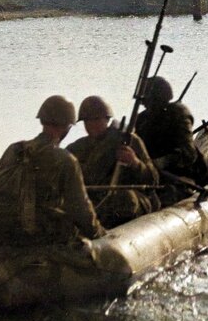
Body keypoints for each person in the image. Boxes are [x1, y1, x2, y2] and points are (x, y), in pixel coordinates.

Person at [0, 95, 106, 246]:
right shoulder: (65, 160)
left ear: (42, 120)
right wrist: (100, 234)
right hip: (37, 235)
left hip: (0, 230)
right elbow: (80, 209)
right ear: (67, 127)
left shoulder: (15, 149)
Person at [66, 96, 160, 228]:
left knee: (126, 199)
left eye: (97, 119)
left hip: (128, 202)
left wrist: (134, 162)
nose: (92, 124)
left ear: (107, 119)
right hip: (94, 202)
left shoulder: (129, 140)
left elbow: (153, 180)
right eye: (87, 121)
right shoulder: (76, 148)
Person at [134, 75, 203, 204]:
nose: (144, 105)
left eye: (148, 101)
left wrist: (162, 162)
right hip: (152, 176)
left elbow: (188, 154)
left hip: (178, 175)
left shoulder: (178, 114)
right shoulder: (141, 119)